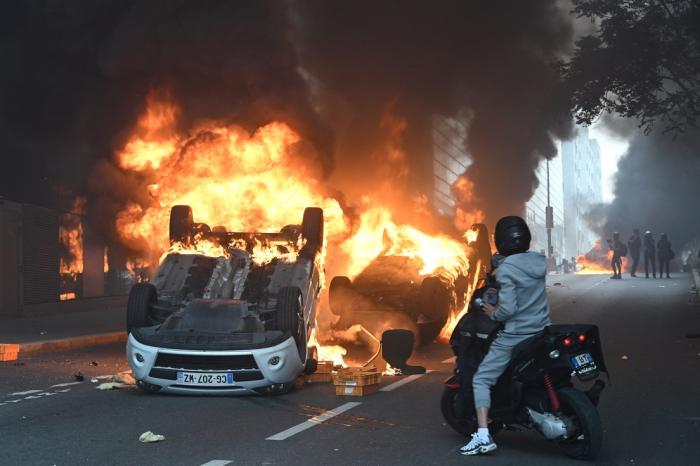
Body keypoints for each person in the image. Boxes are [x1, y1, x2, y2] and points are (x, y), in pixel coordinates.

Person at [459, 216, 551, 456]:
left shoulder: (507, 269)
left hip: (516, 335)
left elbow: (508, 309)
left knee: (481, 380)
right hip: (541, 330)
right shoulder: (538, 261)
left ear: (500, 240)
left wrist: (493, 312)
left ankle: (482, 436)